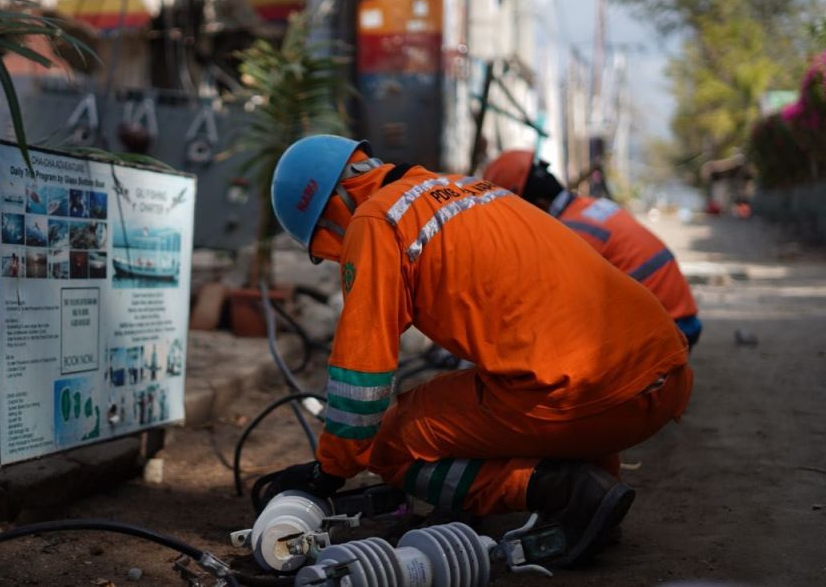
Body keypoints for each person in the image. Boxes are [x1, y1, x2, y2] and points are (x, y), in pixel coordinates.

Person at [261, 135, 693, 568]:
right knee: (477, 391)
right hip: (663, 376)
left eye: (325, 249)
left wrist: (329, 472)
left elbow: (363, 369)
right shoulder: (469, 187)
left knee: (394, 441)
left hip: (588, 397)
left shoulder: (375, 220)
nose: (337, 257)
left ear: (330, 212)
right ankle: (598, 504)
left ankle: (570, 493)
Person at [482, 150, 702, 349]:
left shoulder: (570, 233)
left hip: (670, 331)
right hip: (682, 317)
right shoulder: (590, 206)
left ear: (539, 206)